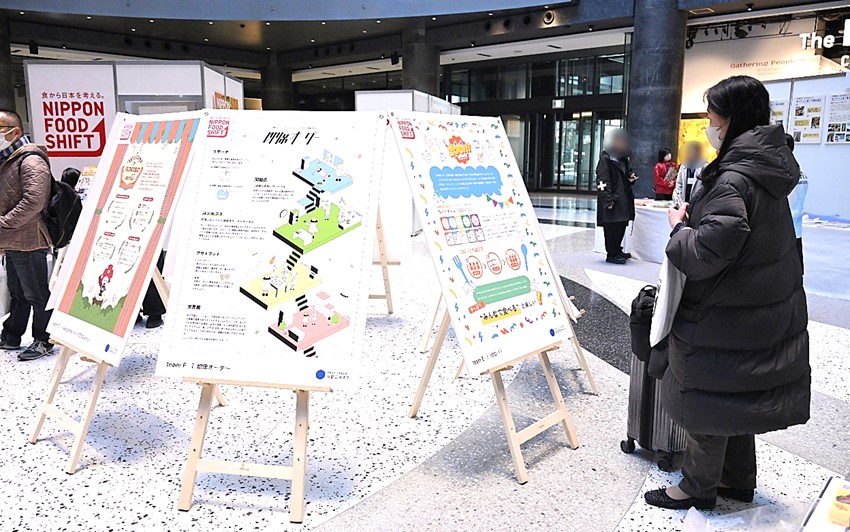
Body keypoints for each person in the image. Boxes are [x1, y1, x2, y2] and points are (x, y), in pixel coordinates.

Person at [645, 76, 810, 510]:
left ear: (731, 119)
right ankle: (737, 480)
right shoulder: (767, 167)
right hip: (757, 303)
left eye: (712, 116)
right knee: (737, 394)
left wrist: (679, 229)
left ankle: (696, 488)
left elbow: (706, 253)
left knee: (708, 396)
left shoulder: (733, 178)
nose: (709, 125)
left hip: (724, 307)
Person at [0, 109, 56, 361]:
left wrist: (4, 223)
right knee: (18, 292)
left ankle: (44, 340)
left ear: (15, 132)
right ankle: (11, 336)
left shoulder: (31, 160)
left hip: (30, 239)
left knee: (36, 293)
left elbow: (34, 201)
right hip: (14, 239)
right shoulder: (9, 159)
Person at [596, 128, 637, 265]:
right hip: (613, 199)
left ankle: (618, 250)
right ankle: (611, 253)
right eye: (619, 141)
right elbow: (602, 180)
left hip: (623, 199)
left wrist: (631, 178)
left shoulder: (623, 159)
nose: (621, 144)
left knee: (621, 225)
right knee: (611, 227)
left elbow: (626, 176)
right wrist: (607, 199)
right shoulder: (606, 159)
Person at [785, 133, 807, 274]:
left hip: (785, 227)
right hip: (796, 225)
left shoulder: (785, 169)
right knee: (796, 269)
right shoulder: (800, 169)